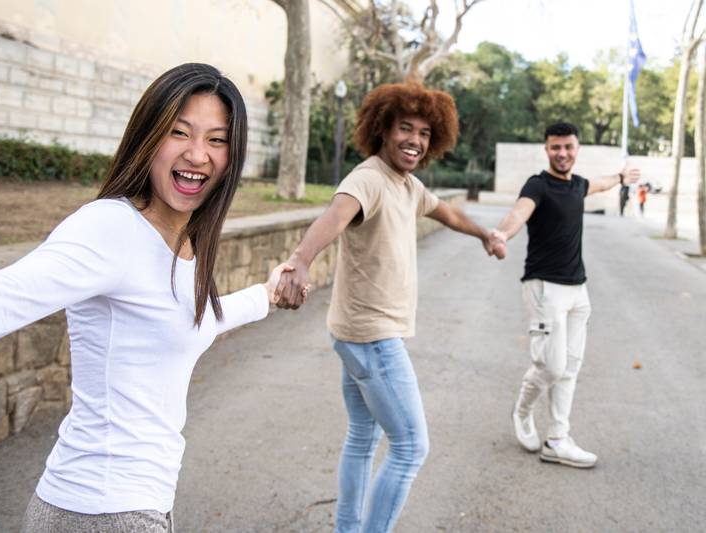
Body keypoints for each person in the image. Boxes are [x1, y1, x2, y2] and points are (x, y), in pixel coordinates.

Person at [0, 63, 301, 532]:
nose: (198, 154)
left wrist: (267, 293)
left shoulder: (183, 242)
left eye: (216, 139)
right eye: (180, 132)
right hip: (101, 511)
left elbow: (194, 322)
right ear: (148, 137)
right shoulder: (110, 228)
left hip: (132, 506)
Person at [274, 81, 504, 533]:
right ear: (382, 129)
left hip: (354, 333)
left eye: (423, 132)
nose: (414, 140)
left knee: (363, 437)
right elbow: (334, 215)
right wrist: (299, 261)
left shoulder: (407, 185)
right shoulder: (369, 179)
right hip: (372, 339)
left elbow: (448, 213)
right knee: (411, 447)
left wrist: (485, 235)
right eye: (405, 128)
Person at [492, 122, 639, 469]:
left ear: (577, 149)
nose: (562, 153)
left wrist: (620, 177)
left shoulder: (578, 185)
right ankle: (523, 409)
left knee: (570, 368)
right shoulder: (537, 185)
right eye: (556, 147)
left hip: (578, 290)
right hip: (545, 289)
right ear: (546, 149)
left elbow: (598, 184)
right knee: (551, 365)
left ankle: (557, 439)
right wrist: (501, 234)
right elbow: (519, 212)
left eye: (568, 147)